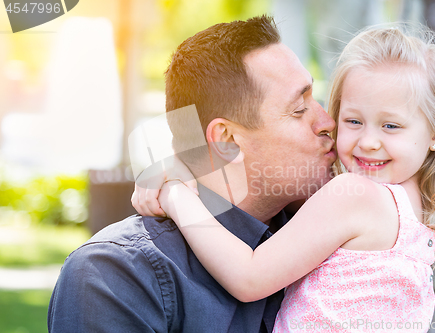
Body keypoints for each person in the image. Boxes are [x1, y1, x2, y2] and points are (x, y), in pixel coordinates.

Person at [139, 24, 435, 332]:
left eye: (391, 126)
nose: (368, 142)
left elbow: (249, 276)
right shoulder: (417, 211)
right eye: (353, 121)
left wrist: (176, 194)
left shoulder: (355, 195)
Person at [48, 15, 336, 332]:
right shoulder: (117, 276)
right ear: (226, 140)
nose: (328, 122)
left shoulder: (341, 236)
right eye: (299, 109)